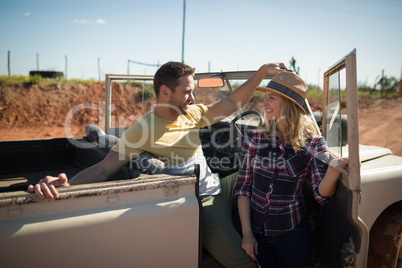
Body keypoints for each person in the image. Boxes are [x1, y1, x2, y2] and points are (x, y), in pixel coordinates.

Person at [28, 61, 287, 268]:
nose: (192, 97)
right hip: (202, 203)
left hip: (220, 184)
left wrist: (262, 71)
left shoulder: (193, 112)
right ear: (165, 91)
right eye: (186, 92)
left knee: (268, 174)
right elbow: (105, 168)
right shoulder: (142, 130)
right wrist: (65, 186)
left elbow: (231, 102)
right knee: (244, 262)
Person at [234, 71, 349, 268]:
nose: (265, 103)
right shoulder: (255, 138)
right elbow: (243, 188)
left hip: (293, 234)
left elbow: (321, 195)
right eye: (265, 97)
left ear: (289, 104)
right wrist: (247, 234)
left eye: (271, 98)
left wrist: (332, 171)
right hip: (256, 232)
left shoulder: (313, 142)